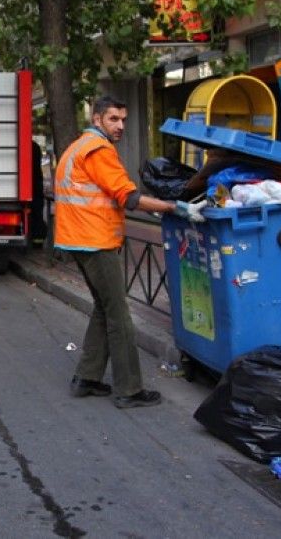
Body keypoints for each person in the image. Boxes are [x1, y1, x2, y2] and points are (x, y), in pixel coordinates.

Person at [54, 96, 206, 409]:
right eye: (113, 119)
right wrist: (176, 207)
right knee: (119, 314)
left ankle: (87, 377)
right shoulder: (99, 150)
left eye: (123, 119)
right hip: (95, 241)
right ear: (97, 120)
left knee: (103, 306)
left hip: (78, 238)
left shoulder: (77, 146)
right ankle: (130, 389)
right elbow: (129, 198)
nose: (120, 126)